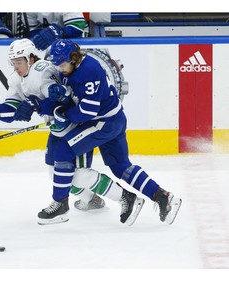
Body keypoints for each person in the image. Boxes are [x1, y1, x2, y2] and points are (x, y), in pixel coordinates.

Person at [0, 38, 143, 226]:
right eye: (13, 63)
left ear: (30, 58)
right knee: (56, 173)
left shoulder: (42, 69)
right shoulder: (16, 79)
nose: (16, 67)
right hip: (58, 129)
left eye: (19, 62)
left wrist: (35, 103)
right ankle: (92, 200)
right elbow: (12, 106)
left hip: (75, 127)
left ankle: (122, 197)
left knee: (79, 174)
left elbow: (58, 95)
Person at [42, 39, 182, 225]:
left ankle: (60, 204)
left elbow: (87, 111)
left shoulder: (89, 70)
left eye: (62, 64)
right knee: (121, 167)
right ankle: (162, 197)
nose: (60, 69)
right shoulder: (74, 67)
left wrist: (64, 115)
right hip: (114, 119)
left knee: (62, 150)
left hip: (103, 123)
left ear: (74, 58)